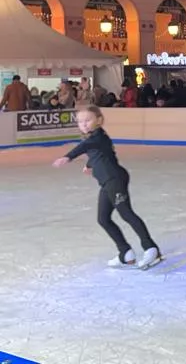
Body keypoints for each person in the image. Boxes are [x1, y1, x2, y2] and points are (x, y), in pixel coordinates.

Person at [52, 105, 162, 269]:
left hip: (115, 179)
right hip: (107, 183)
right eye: (80, 121)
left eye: (88, 120)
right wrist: (90, 165)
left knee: (126, 214)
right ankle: (125, 252)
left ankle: (151, 248)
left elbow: (86, 147)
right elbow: (96, 152)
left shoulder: (98, 137)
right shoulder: (94, 139)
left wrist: (68, 157)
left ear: (99, 120)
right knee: (103, 219)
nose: (84, 124)